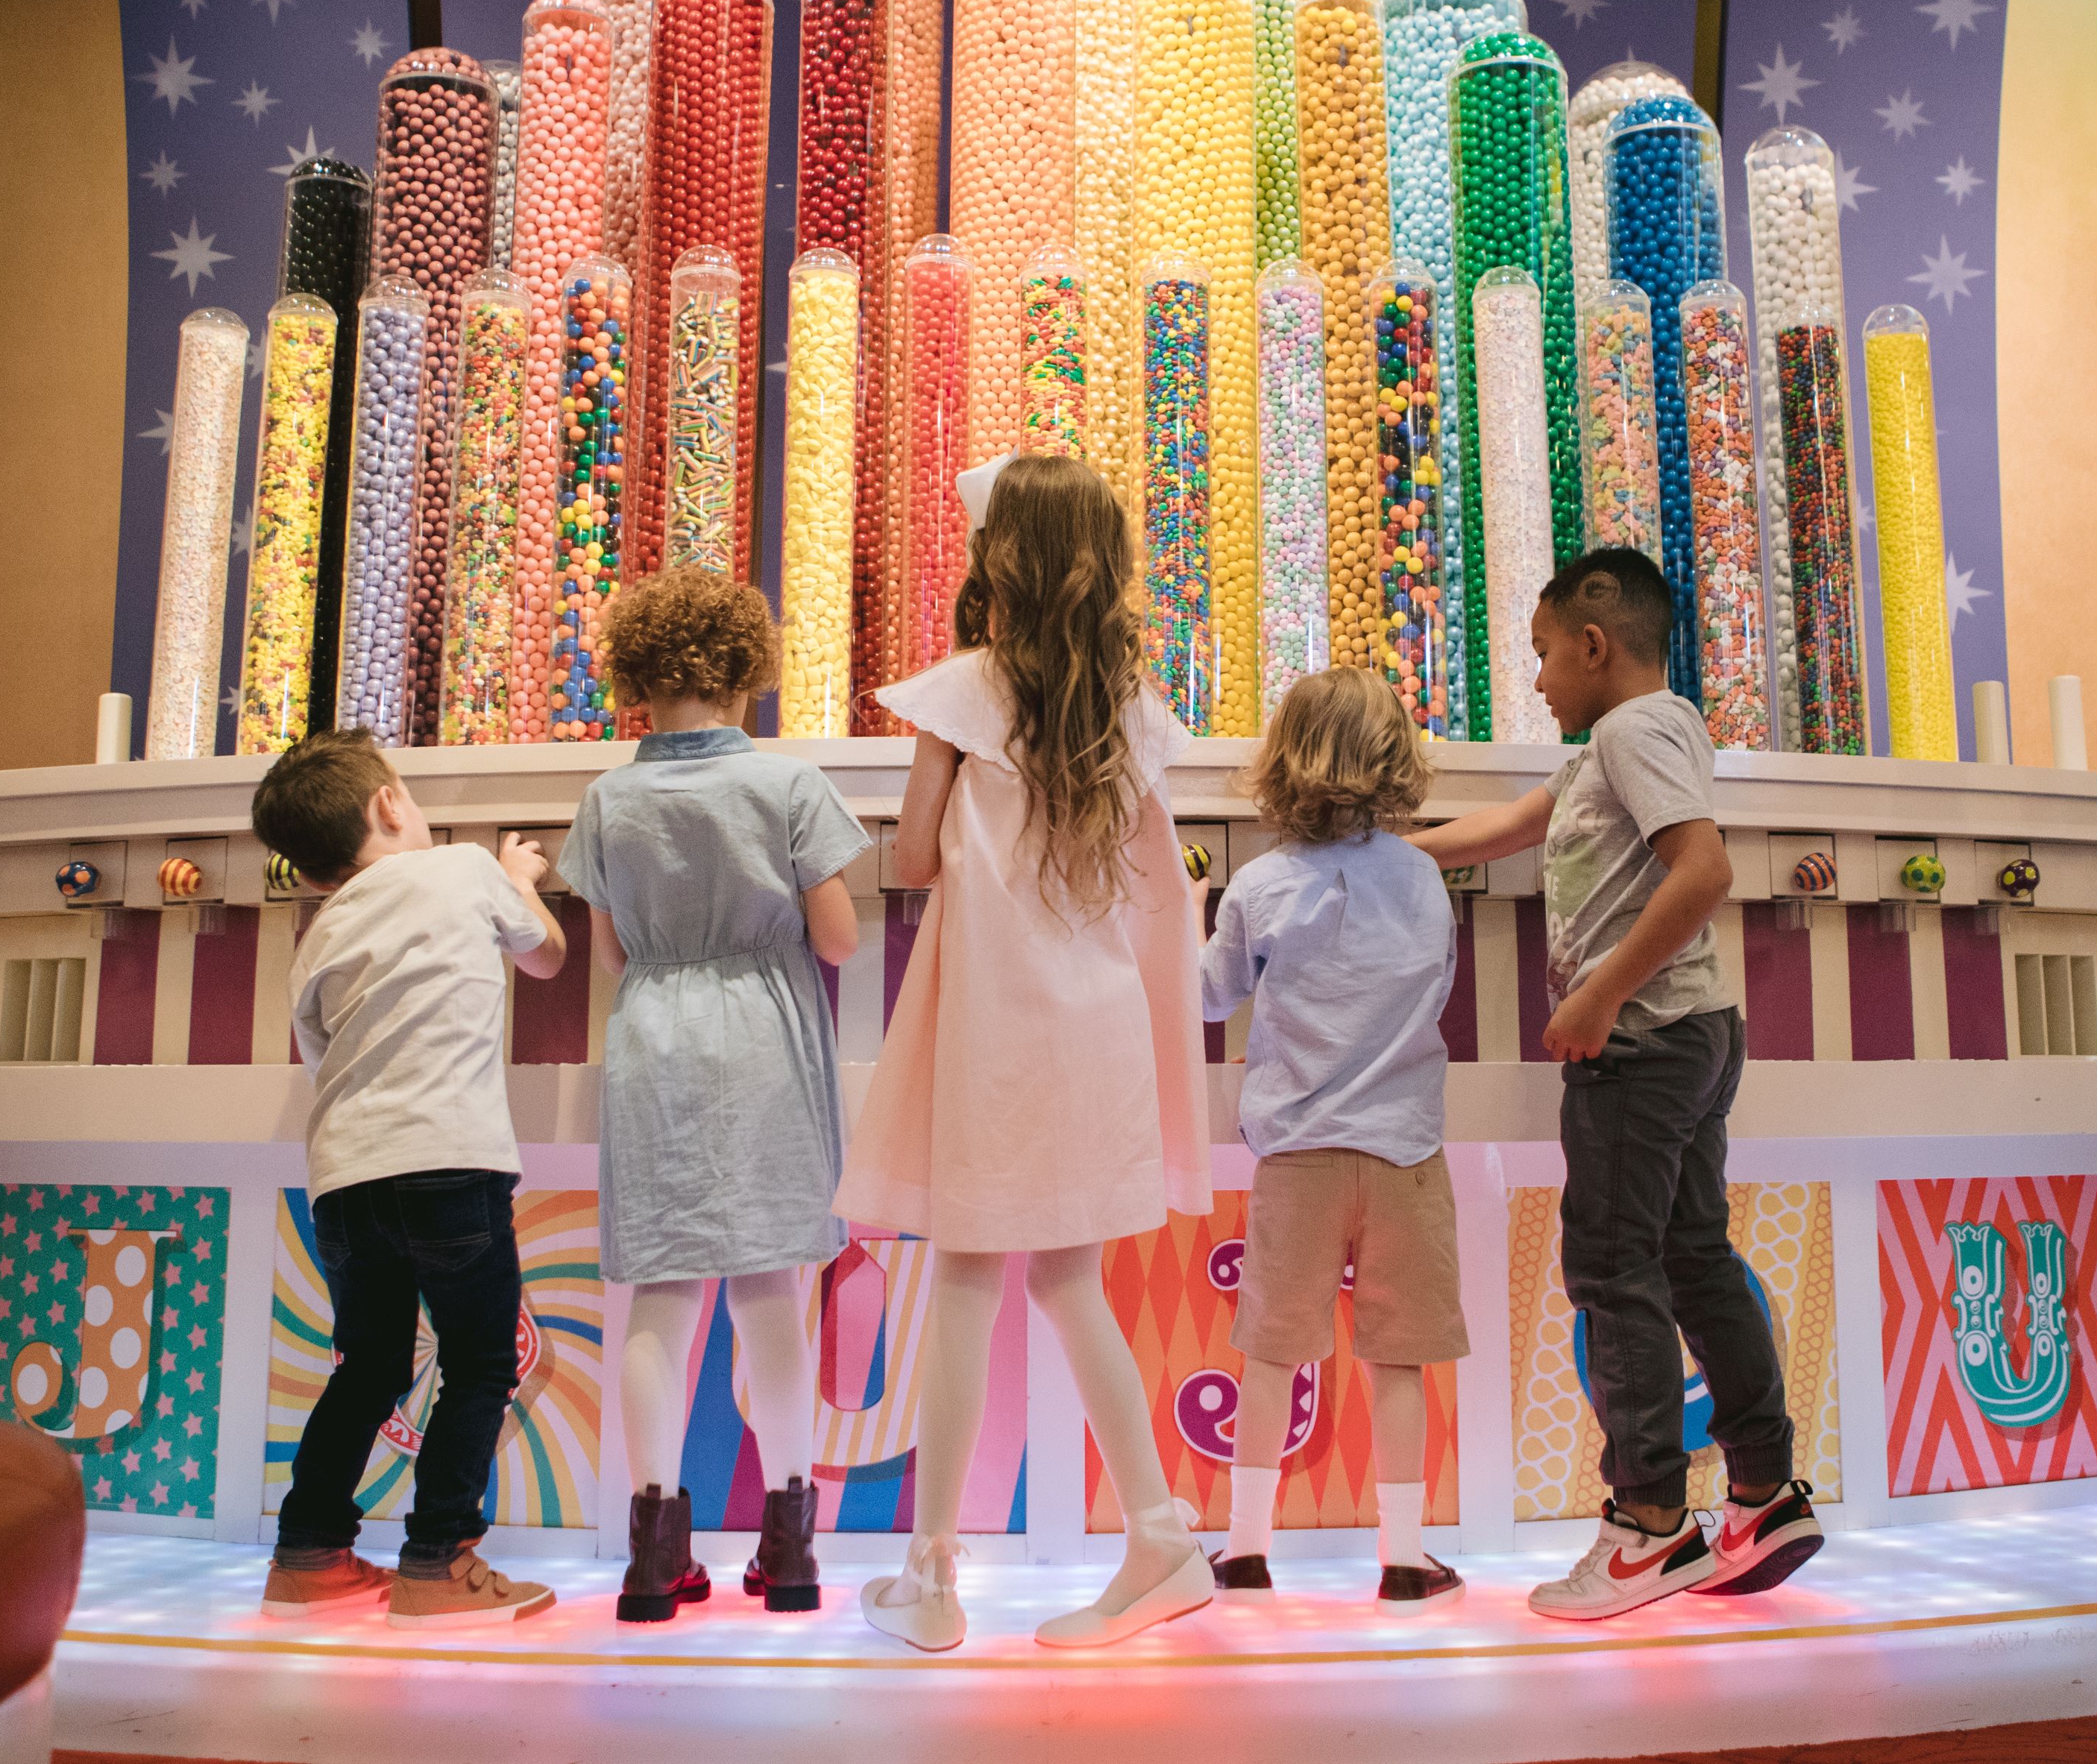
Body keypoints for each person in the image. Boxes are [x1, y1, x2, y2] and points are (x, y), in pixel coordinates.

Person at [836, 452, 1215, 1652]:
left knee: (963, 1277)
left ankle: (933, 1573)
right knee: (1066, 1282)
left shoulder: (962, 696)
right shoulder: (1133, 711)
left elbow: (910, 860)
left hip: (998, 1027)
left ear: (1001, 559)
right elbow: (1159, 890)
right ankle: (1156, 1536)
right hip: (1098, 1027)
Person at [1412, 546, 1821, 1619]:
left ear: (1594, 645)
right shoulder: (1629, 740)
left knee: (1611, 1267)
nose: (1537, 678)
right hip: (1695, 1032)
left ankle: (1648, 1526)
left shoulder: (1634, 732)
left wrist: (1597, 996)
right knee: (1693, 1257)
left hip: (1641, 1042)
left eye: (1544, 653)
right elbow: (1511, 825)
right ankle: (1764, 1494)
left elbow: (1705, 870)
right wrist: (1397, 849)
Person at [557, 567, 870, 1623]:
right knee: (768, 1285)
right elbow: (839, 940)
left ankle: (654, 1558)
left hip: (657, 1040)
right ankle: (791, 1552)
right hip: (766, 1039)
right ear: (747, 674)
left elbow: (610, 957)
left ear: (635, 680)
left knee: (662, 1292)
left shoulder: (607, 799)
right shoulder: (789, 786)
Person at [250, 728, 569, 1628]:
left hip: (346, 1179)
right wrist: (519, 881)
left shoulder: (316, 937)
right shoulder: (464, 870)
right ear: (391, 806)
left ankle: (307, 1556)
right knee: (478, 1364)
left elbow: (323, 1059)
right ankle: (438, 1562)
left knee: (368, 1368)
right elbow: (546, 955)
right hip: (448, 1162)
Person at [1199, 666, 1466, 1613]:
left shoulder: (1260, 884)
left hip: (1298, 1154)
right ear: (1396, 760)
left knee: (1273, 1354)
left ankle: (1245, 1551)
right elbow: (1433, 987)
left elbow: (1210, 996)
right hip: (1405, 1152)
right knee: (1397, 1359)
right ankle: (1405, 1559)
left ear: (1284, 760)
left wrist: (1178, 915)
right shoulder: (1424, 877)